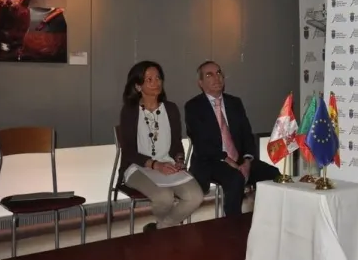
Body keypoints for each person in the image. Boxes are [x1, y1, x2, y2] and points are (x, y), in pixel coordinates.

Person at [185, 60, 281, 217]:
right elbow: (201, 144)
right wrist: (228, 160)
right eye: (209, 75)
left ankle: (266, 218)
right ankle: (232, 224)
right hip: (211, 160)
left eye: (219, 73)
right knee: (235, 178)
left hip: (239, 159)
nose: (216, 78)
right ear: (200, 83)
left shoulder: (234, 102)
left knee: (273, 173)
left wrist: (247, 160)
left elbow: (247, 134)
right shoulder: (194, 107)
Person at [118, 60, 204, 232]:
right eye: (149, 79)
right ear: (138, 86)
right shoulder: (130, 111)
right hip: (138, 167)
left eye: (158, 78)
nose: (156, 82)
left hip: (168, 164)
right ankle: (165, 233)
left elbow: (176, 143)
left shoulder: (170, 109)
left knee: (196, 196)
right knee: (164, 197)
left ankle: (160, 229)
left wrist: (179, 160)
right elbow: (128, 150)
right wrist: (155, 165)